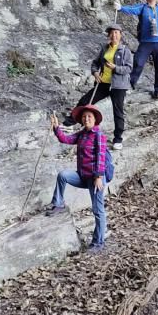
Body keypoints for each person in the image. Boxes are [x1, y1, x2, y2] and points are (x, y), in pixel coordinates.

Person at [47, 106, 108, 251]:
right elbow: (66, 139)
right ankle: (58, 203)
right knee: (63, 175)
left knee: (98, 210)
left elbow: (101, 157)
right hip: (82, 176)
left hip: (95, 179)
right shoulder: (83, 134)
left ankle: (98, 242)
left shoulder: (98, 135)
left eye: (89, 117)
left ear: (95, 120)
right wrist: (56, 128)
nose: (86, 119)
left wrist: (98, 176)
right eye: (84, 117)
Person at [67, 25, 132, 150]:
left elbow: (129, 68)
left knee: (118, 111)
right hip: (103, 83)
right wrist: (95, 72)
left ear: (121, 35)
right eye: (112, 33)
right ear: (109, 36)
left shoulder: (125, 51)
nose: (114, 35)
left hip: (118, 86)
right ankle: (69, 122)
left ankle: (118, 139)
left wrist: (115, 68)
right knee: (85, 100)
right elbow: (95, 63)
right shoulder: (104, 48)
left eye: (117, 33)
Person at [115, 0, 158, 99]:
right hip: (146, 42)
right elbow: (132, 9)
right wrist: (121, 8)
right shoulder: (142, 7)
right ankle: (130, 85)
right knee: (138, 63)